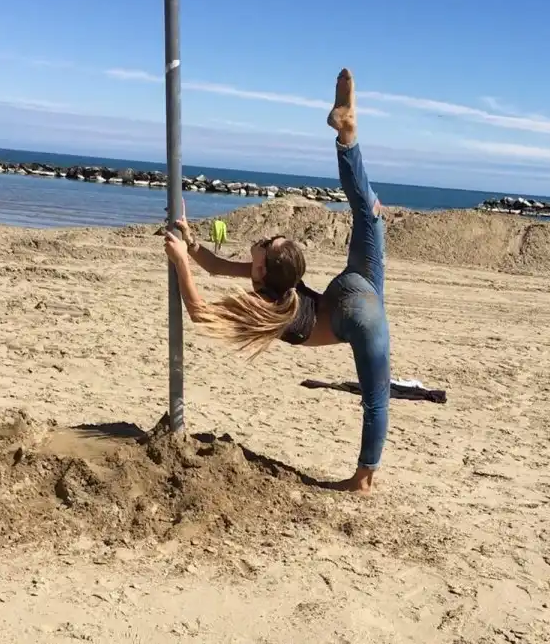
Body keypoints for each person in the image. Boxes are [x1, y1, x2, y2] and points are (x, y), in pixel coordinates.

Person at [164, 69, 390, 495]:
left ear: (264, 270)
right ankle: (347, 136)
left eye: (268, 244)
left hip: (358, 317)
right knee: (369, 213)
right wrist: (191, 244)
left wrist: (180, 263)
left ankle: (363, 481)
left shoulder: (269, 304)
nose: (265, 239)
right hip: (354, 289)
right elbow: (217, 267)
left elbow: (199, 314)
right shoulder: (268, 283)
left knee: (376, 397)